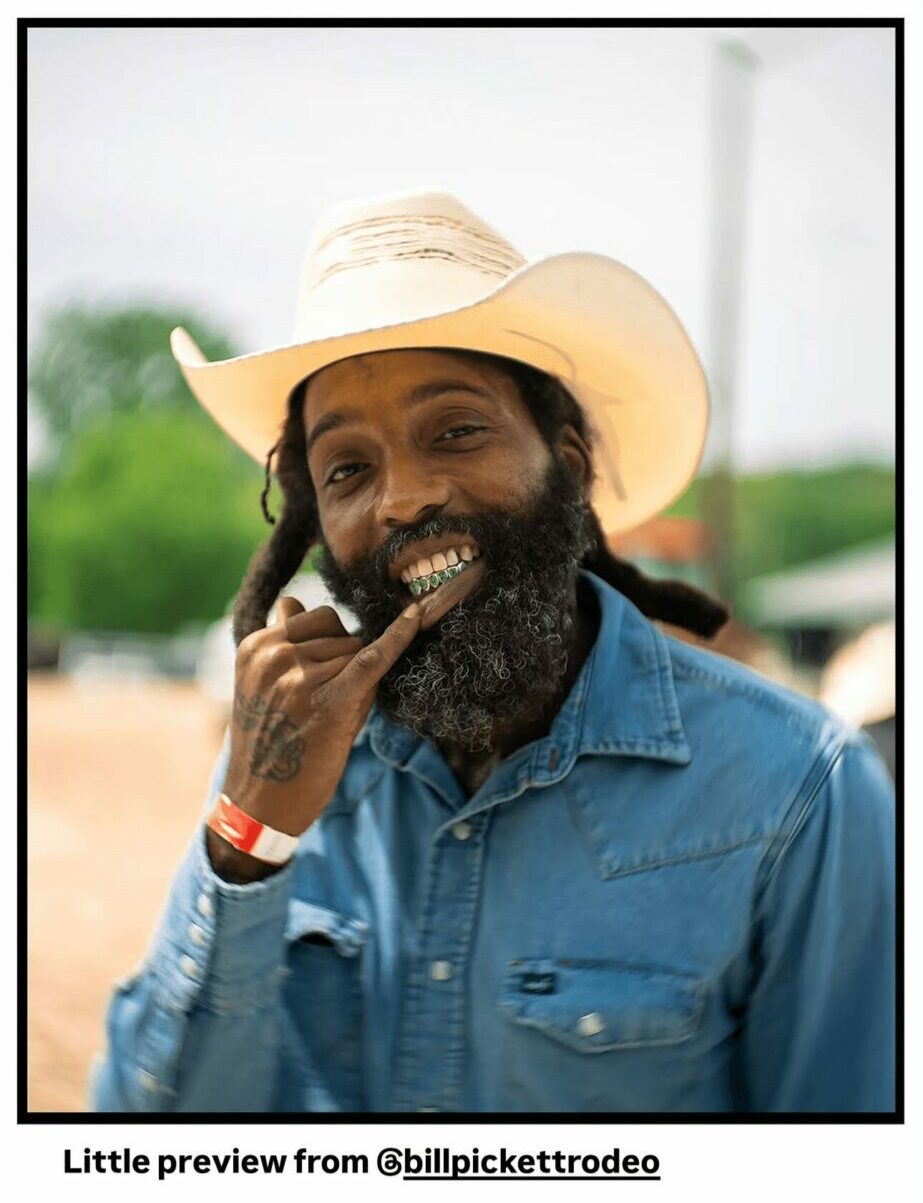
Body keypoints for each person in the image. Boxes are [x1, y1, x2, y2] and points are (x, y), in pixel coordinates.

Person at [92, 189, 894, 1114]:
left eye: (456, 430)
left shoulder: (795, 788)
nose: (401, 499)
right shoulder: (283, 760)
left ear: (569, 463)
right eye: (347, 468)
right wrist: (248, 840)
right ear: (316, 520)